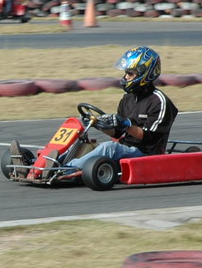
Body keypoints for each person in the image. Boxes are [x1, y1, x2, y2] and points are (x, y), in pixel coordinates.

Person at [62, 45, 178, 173]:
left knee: (109, 148)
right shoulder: (128, 98)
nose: (126, 77)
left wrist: (126, 124)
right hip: (126, 148)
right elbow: (117, 133)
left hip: (146, 154)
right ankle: (54, 162)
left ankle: (66, 169)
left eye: (130, 73)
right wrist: (97, 124)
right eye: (126, 73)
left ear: (145, 73)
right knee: (84, 143)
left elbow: (150, 138)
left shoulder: (160, 102)